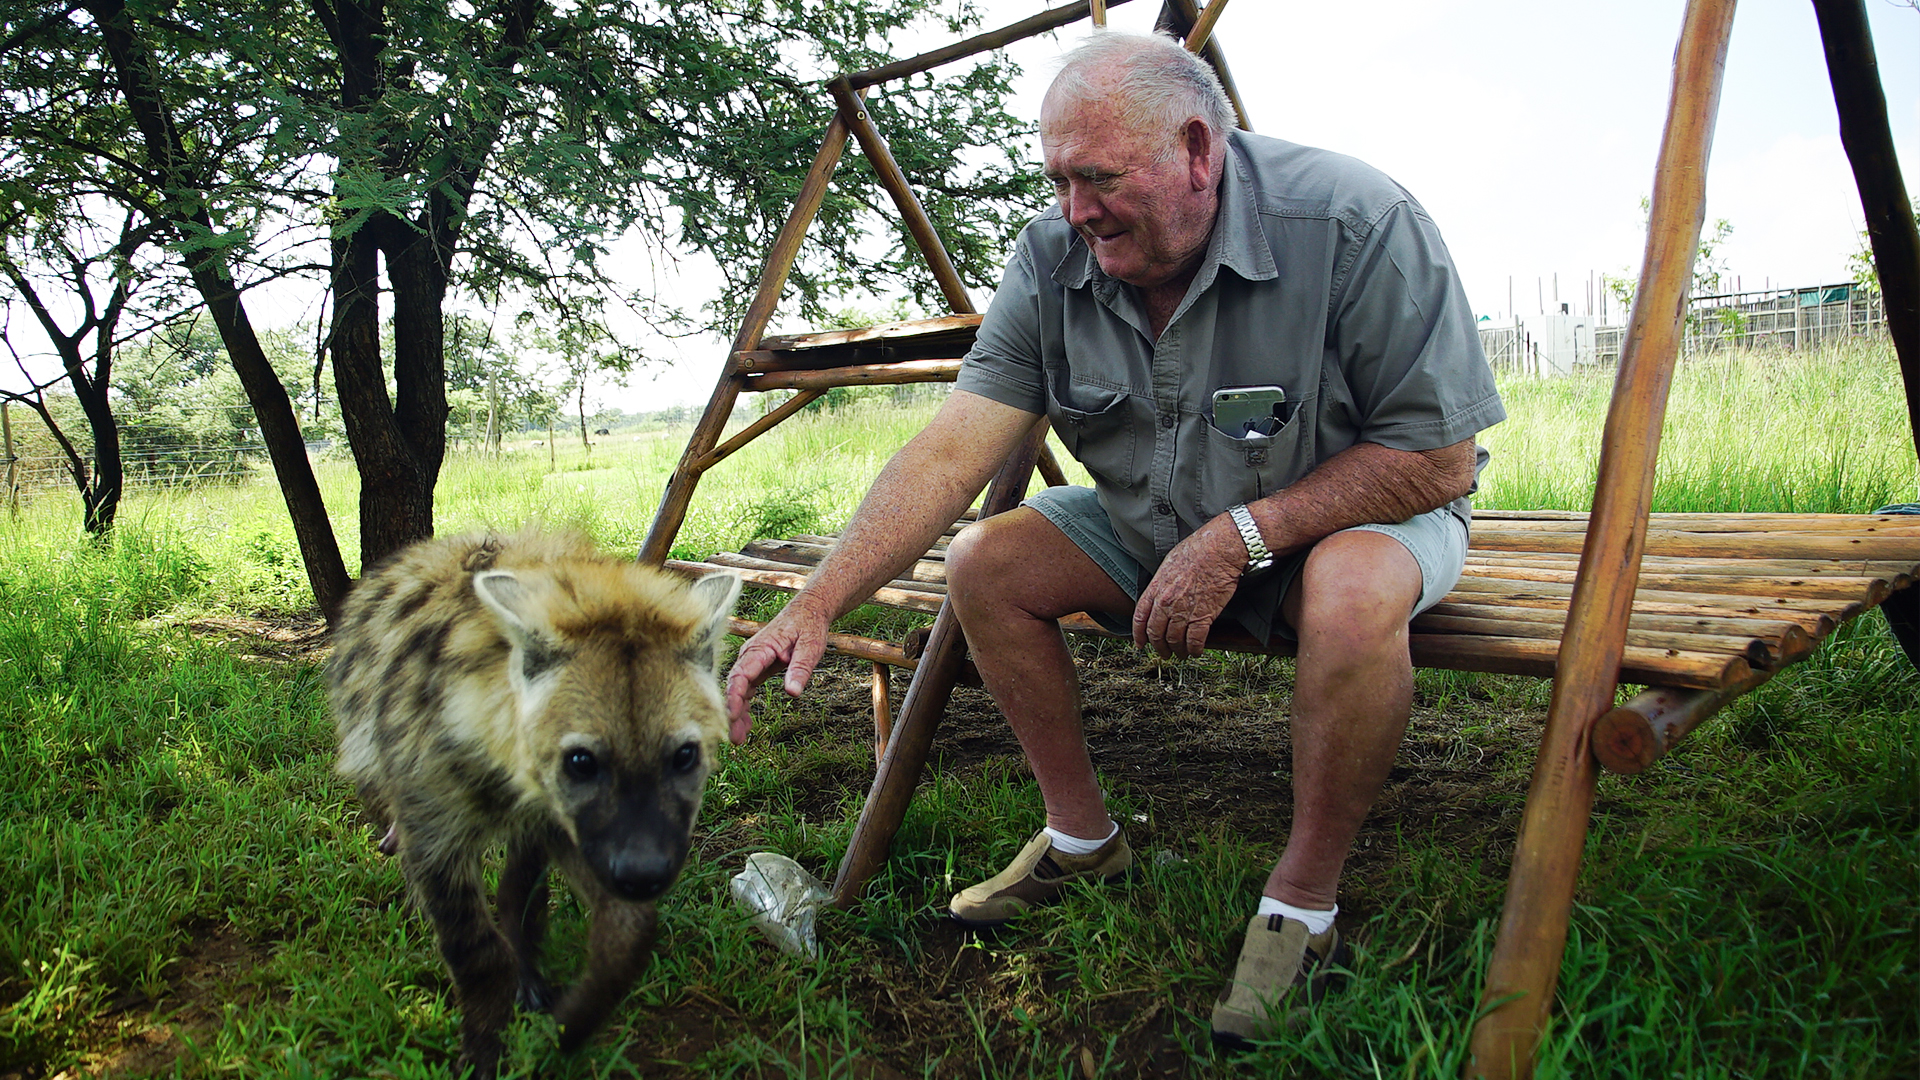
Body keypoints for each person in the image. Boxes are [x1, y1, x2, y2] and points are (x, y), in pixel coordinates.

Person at [724, 30, 1505, 1049]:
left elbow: (1437, 460)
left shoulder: (1357, 223)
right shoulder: (1054, 257)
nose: (1074, 210)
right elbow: (954, 451)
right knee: (987, 561)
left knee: (1351, 591)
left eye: (1098, 178)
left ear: (1196, 149)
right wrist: (817, 601)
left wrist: (1240, 538)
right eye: (1057, 179)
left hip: (1362, 520)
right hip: (1160, 523)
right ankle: (1083, 840)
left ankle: (1303, 904)